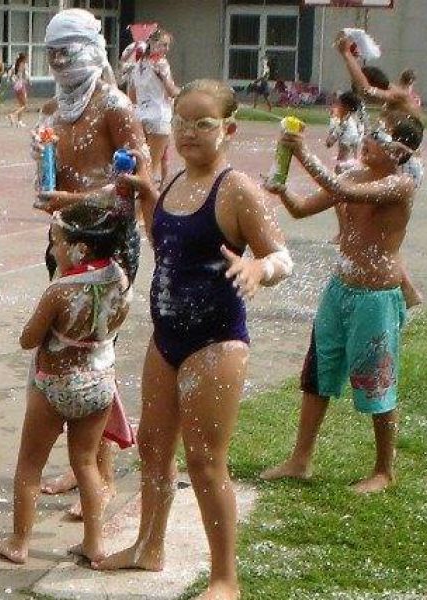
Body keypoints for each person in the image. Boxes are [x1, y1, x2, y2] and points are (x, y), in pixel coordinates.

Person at [93, 80, 292, 600]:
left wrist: (257, 267)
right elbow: (170, 245)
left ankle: (226, 579)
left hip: (217, 342)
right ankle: (147, 547)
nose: (188, 133)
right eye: (181, 122)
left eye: (203, 124)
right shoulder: (177, 180)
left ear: (228, 129)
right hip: (167, 338)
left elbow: (282, 257)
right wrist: (147, 200)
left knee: (205, 460)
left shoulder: (236, 188)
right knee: (155, 450)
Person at [260, 111, 424, 496]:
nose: (366, 142)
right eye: (368, 135)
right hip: (341, 289)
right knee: (318, 373)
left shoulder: (399, 185)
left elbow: (343, 191)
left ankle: (384, 469)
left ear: (400, 153)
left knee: (377, 380)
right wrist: (280, 188)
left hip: (376, 297)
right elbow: (301, 209)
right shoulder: (353, 175)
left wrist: (302, 153)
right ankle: (300, 459)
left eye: (377, 140)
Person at [32, 8, 148, 520]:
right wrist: (49, 186)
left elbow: (135, 184)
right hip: (67, 241)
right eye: (51, 54)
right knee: (67, 355)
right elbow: (59, 179)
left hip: (110, 246)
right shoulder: (58, 108)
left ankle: (99, 475)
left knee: (97, 358)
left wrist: (78, 199)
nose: (59, 62)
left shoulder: (115, 106)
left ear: (91, 51)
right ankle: (82, 462)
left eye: (67, 52)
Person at [0, 204, 130, 565]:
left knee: (30, 465)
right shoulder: (121, 278)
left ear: (80, 249)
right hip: (99, 384)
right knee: (86, 462)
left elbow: (28, 339)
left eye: (56, 243)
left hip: (54, 385)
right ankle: (94, 543)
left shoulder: (61, 291)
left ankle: (19, 543)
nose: (53, 251)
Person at [335, 33, 424, 308]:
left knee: (385, 231)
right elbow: (366, 91)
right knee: (379, 229)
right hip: (398, 161)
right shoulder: (394, 101)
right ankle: (407, 288)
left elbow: (366, 91)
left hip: (403, 164)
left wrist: (347, 55)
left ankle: (405, 287)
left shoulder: (397, 96)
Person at [127, 29, 179, 187]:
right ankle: (149, 208)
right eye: (163, 44)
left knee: (139, 166)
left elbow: (132, 96)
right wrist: (182, 91)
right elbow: (171, 91)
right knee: (150, 170)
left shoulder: (137, 63)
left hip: (140, 117)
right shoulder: (161, 63)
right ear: (151, 43)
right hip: (159, 118)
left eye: (168, 46)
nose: (166, 49)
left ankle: (135, 205)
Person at [326, 90, 365, 243]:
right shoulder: (357, 121)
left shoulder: (343, 122)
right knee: (350, 202)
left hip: (344, 165)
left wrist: (333, 122)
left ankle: (343, 233)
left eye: (339, 104)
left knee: (338, 201)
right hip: (356, 163)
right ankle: (351, 232)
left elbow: (329, 143)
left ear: (346, 106)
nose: (336, 106)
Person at [7, 52, 31, 127]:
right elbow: (25, 76)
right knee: (25, 105)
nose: (27, 59)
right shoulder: (23, 65)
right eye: (26, 58)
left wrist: (14, 80)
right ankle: (13, 114)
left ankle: (19, 121)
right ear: (24, 59)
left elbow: (10, 75)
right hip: (21, 85)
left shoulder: (15, 65)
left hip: (16, 86)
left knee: (21, 104)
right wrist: (28, 81)